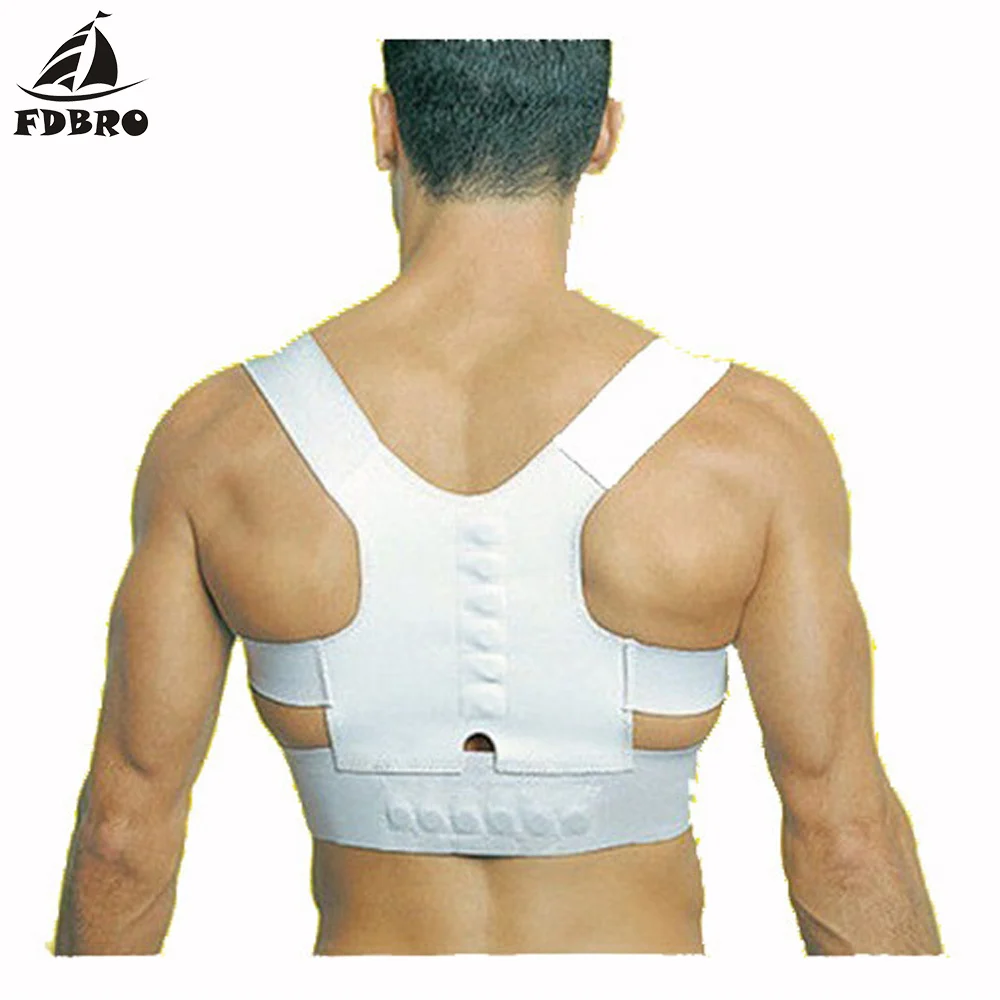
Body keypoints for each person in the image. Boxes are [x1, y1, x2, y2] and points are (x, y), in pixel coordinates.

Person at [53, 39, 942, 956]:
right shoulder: (746, 445)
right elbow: (845, 841)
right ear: (602, 137)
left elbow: (124, 835)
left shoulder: (221, 441)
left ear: (386, 127)